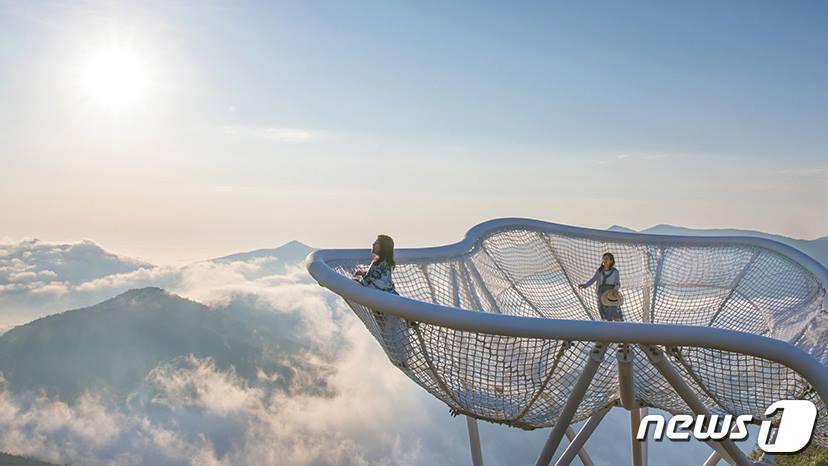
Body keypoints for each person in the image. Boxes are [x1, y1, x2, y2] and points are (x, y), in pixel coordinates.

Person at [578, 252, 623, 321]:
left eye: (607, 259)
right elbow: (593, 279)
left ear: (611, 261)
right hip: (601, 293)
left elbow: (618, 284)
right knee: (602, 312)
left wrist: (614, 290)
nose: (604, 260)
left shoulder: (615, 272)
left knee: (613, 310)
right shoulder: (599, 271)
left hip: (611, 294)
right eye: (603, 258)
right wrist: (586, 285)